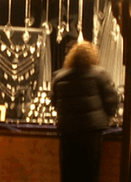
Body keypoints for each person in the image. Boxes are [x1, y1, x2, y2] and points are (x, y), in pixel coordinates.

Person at [51, 42, 120, 182]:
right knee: (90, 174)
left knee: (69, 174)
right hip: (91, 133)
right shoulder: (100, 74)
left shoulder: (59, 77)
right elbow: (112, 102)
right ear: (92, 57)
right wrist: (108, 117)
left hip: (68, 133)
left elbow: (54, 103)